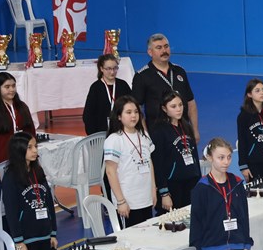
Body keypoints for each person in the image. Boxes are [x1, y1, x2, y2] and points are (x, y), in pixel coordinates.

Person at [4, 132, 58, 250]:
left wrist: (53, 233)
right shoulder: (11, 177)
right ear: (19, 149)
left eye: (36, 146)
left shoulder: (38, 171)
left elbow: (48, 202)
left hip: (45, 235)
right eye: (29, 147)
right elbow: (11, 212)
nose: (35, 150)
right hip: (26, 240)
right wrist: (18, 242)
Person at [103, 95, 157, 227]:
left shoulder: (143, 135)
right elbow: (110, 171)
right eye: (128, 112)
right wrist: (121, 201)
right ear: (119, 116)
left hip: (145, 198)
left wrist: (153, 190)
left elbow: (149, 163)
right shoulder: (114, 140)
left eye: (136, 112)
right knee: (131, 238)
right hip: (128, 201)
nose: (133, 116)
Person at [131, 33, 198, 135]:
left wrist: (195, 130)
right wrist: (145, 134)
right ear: (150, 52)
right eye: (159, 48)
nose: (164, 51)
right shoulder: (142, 76)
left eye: (166, 46)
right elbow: (136, 109)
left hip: (183, 131)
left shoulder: (180, 71)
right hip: (158, 133)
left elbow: (191, 103)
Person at [151, 91, 201, 211]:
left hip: (191, 182)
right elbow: (158, 164)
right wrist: (164, 193)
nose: (178, 109)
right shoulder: (159, 131)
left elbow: (194, 155)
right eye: (173, 106)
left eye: (180, 105)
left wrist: (199, 181)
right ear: (164, 109)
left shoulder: (186, 126)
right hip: (173, 186)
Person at [0, 71, 35, 167]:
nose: (12, 89)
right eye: (7, 87)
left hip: (24, 159)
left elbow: (31, 132)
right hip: (3, 161)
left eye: (13, 86)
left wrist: (32, 153)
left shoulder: (22, 107)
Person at [236, 79, 263, 181]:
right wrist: (243, 166)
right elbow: (242, 142)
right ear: (249, 94)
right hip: (253, 164)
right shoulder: (243, 116)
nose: (262, 93)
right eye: (257, 90)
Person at [82, 54, 131, 135]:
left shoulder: (123, 85)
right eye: (108, 69)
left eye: (115, 68)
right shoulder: (95, 88)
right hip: (101, 132)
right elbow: (88, 115)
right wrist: (94, 135)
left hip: (123, 131)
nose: (112, 72)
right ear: (101, 69)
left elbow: (131, 107)